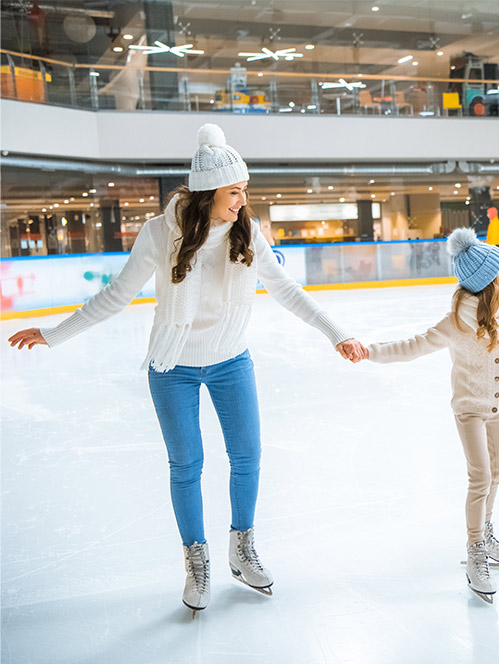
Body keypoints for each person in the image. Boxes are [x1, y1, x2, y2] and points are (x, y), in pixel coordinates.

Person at [7, 124, 366, 614]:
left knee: (248, 455)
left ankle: (242, 547)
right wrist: (52, 334)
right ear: (207, 192)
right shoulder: (159, 233)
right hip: (172, 366)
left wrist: (336, 332)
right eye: (234, 192)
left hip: (231, 360)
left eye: (244, 191)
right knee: (186, 465)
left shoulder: (248, 232)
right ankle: (196, 561)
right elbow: (116, 296)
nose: (242, 201)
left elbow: (285, 289)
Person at [358, 228, 499, 603]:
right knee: (480, 477)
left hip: (498, 409)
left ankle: (485, 530)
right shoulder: (456, 323)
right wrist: (369, 352)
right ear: (486, 282)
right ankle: (474, 550)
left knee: (497, 472)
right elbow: (412, 346)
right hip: (469, 411)